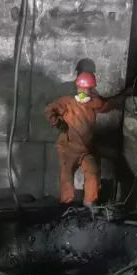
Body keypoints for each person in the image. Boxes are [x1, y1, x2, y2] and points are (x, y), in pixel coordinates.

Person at [44, 70, 125, 205]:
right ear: (77, 87)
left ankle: (90, 204)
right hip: (68, 148)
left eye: (86, 89)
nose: (82, 91)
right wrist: (57, 122)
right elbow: (49, 110)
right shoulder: (67, 102)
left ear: (92, 90)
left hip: (87, 150)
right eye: (80, 88)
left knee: (93, 173)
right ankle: (67, 205)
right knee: (66, 176)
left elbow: (106, 105)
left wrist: (124, 96)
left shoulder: (94, 103)